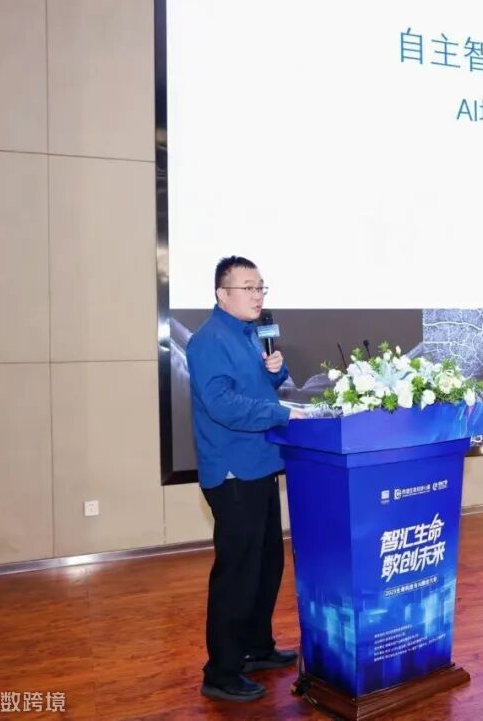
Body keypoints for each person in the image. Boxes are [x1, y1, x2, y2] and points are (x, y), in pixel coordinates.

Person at [187, 255, 304, 702]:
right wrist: (282, 413)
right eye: (249, 288)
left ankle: (256, 648)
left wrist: (277, 371)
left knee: (266, 564)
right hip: (233, 471)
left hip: (261, 464)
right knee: (237, 572)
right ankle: (221, 671)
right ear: (223, 294)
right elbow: (223, 405)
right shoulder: (208, 341)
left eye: (261, 288)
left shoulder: (251, 334)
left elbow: (260, 387)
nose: (258, 296)